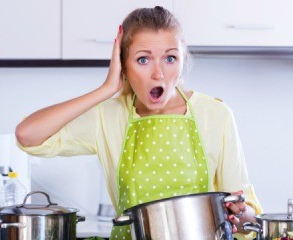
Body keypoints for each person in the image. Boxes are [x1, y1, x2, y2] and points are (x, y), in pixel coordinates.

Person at [16, 6, 262, 240]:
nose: (159, 74)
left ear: (182, 59)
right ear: (123, 64)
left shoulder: (216, 114)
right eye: (143, 60)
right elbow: (28, 134)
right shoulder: (109, 116)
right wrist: (106, 89)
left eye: (170, 58)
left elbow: (247, 211)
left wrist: (241, 215)